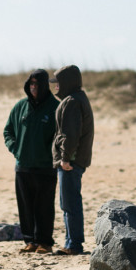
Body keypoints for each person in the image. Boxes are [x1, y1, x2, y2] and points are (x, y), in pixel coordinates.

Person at [3, 69, 59, 254]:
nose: (34, 88)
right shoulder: (20, 106)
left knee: (44, 206)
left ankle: (44, 242)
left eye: (38, 84)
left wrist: (53, 154)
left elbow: (61, 136)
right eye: (31, 84)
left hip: (45, 166)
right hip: (23, 166)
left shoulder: (55, 107)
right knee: (26, 207)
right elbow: (8, 131)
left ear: (45, 86)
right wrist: (16, 149)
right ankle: (31, 241)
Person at [52, 65, 93, 256]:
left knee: (69, 203)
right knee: (69, 203)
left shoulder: (72, 102)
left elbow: (70, 134)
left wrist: (66, 158)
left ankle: (73, 244)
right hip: (74, 160)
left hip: (71, 161)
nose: (55, 87)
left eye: (58, 83)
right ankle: (71, 242)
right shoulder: (77, 99)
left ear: (67, 83)